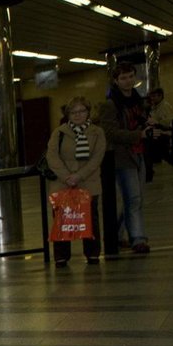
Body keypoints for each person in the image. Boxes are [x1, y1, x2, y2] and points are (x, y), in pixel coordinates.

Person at [98, 63, 155, 254]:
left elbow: (140, 123)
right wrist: (138, 135)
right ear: (115, 81)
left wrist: (149, 124)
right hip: (121, 156)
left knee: (134, 200)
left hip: (139, 154)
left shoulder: (139, 102)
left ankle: (116, 234)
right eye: (123, 78)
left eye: (131, 76)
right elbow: (110, 132)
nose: (128, 81)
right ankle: (138, 238)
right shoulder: (110, 104)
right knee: (133, 198)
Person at [46, 97, 105, 267]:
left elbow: (97, 157)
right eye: (73, 112)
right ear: (68, 114)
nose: (78, 115)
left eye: (82, 111)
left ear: (88, 112)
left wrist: (79, 176)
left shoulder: (97, 132)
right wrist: (67, 176)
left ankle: (92, 253)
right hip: (62, 183)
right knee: (63, 220)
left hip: (88, 182)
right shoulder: (59, 133)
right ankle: (61, 256)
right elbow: (52, 156)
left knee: (90, 220)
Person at [144, 88, 173, 181]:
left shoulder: (164, 106)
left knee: (162, 155)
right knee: (162, 155)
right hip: (158, 134)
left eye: (154, 96)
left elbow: (166, 122)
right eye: (151, 96)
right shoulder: (156, 106)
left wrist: (155, 122)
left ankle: (149, 173)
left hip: (162, 134)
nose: (152, 98)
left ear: (160, 96)